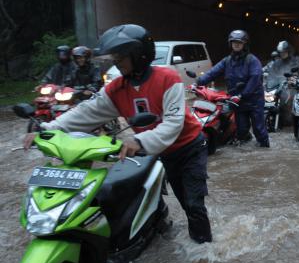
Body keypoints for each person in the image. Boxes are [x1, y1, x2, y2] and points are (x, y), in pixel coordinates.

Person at [24, 24, 213, 244]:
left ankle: (203, 250)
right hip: (157, 150)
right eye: (115, 56)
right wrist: (47, 129)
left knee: (193, 204)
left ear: (139, 54)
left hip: (188, 149)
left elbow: (173, 125)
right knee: (147, 194)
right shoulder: (115, 89)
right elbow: (86, 112)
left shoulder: (168, 78)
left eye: (121, 56)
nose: (116, 62)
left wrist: (138, 140)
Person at [196, 30, 270, 147]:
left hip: (254, 101)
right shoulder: (227, 61)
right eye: (234, 42)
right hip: (237, 102)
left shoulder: (252, 60)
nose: (236, 44)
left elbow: (255, 79)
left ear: (245, 44)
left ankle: (265, 148)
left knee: (259, 129)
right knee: (241, 129)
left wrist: (242, 95)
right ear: (230, 44)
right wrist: (198, 82)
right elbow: (213, 72)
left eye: (239, 42)